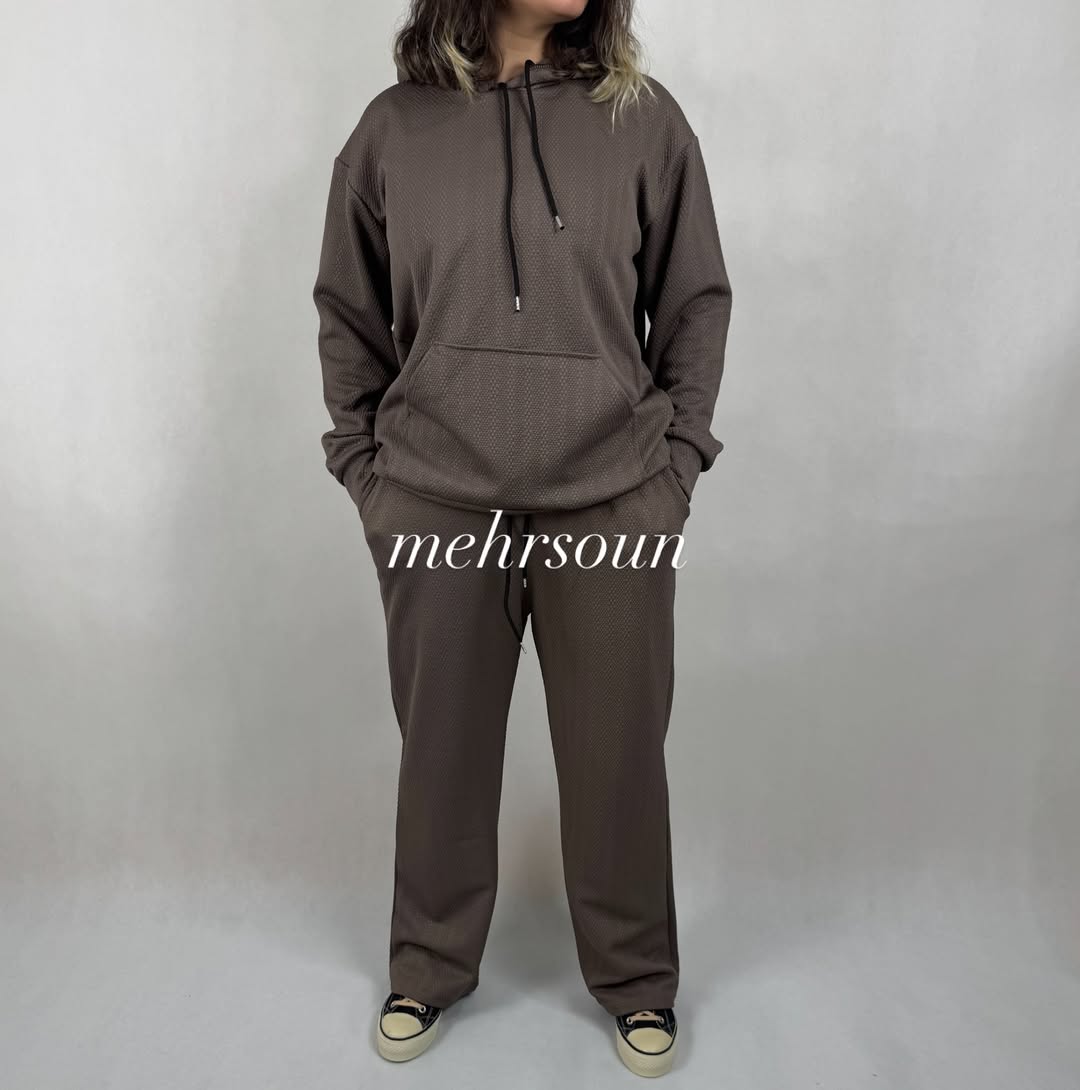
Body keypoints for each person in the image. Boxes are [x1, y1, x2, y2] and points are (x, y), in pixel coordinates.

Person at [312, 0, 732, 1076]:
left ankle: (637, 980)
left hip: (613, 499)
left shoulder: (643, 120)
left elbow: (694, 301)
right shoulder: (394, 128)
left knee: (618, 757)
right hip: (437, 500)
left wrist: (675, 467)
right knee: (442, 754)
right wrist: (367, 473)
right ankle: (427, 964)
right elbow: (348, 311)